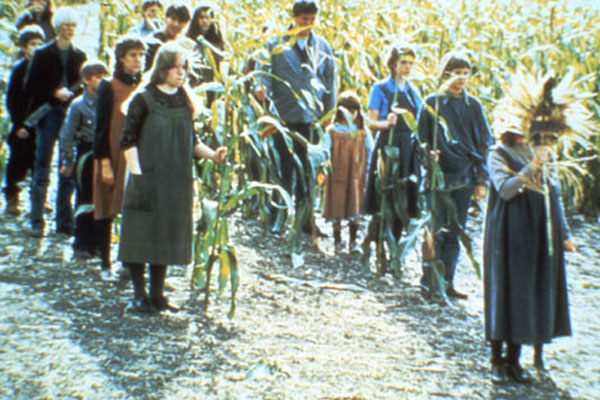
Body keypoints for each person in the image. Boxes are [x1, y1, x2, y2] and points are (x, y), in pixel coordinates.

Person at [118, 43, 227, 313]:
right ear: (163, 68)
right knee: (140, 233)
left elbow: (193, 143)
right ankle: (139, 294)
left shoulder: (184, 100)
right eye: (175, 67)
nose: (181, 73)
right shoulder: (143, 99)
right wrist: (138, 176)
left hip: (175, 181)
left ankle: (158, 295)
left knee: (165, 234)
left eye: (184, 68)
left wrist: (213, 155)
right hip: (147, 177)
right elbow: (128, 141)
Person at [484, 127, 574, 384]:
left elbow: (553, 195)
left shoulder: (544, 153)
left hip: (539, 230)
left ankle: (514, 359)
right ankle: (496, 361)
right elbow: (506, 189)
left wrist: (565, 233)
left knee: (527, 293)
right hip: (509, 229)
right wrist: (531, 166)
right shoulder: (498, 153)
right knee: (506, 290)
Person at [254, 0, 336, 236]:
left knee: (308, 169)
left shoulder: (322, 47)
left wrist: (329, 113)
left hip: (311, 118)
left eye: (311, 19)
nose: (307, 24)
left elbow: (330, 81)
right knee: (283, 167)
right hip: (283, 116)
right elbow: (264, 72)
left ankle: (305, 220)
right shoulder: (276, 43)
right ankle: (277, 217)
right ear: (294, 16)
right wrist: (261, 88)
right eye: (303, 19)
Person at [417, 51, 492, 299]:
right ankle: (429, 281)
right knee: (434, 231)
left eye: (465, 74)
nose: (461, 79)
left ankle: (448, 281)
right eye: (456, 73)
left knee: (455, 232)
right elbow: (419, 139)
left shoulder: (473, 106)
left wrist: (481, 181)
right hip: (438, 178)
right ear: (446, 74)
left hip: (463, 177)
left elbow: (484, 144)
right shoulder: (432, 102)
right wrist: (429, 155)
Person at [24, 6, 87, 237]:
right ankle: (37, 219)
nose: (68, 30)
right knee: (42, 166)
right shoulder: (42, 54)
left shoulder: (80, 56)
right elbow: (30, 86)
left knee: (67, 165)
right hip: (48, 113)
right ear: (58, 27)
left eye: (72, 26)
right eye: (65, 26)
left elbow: (84, 85)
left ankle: (64, 221)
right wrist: (54, 92)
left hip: (70, 115)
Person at [363, 45, 422, 273]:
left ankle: (395, 251)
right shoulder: (380, 88)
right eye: (403, 62)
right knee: (383, 199)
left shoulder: (413, 92)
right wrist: (386, 123)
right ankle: (379, 252)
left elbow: (418, 122)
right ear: (393, 63)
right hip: (387, 148)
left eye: (410, 63)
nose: (406, 67)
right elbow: (371, 122)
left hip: (407, 150)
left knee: (403, 199)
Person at [93, 35, 147, 280]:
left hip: (136, 153)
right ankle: (104, 262)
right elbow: (101, 127)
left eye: (141, 55)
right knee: (106, 206)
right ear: (121, 58)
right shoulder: (109, 86)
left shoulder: (145, 85)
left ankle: (128, 261)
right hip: (113, 153)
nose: (138, 60)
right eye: (132, 55)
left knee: (134, 207)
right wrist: (104, 161)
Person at [58, 61, 109, 264]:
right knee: (85, 199)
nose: (101, 80)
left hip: (104, 154)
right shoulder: (78, 105)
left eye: (104, 75)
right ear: (86, 80)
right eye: (97, 76)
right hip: (86, 154)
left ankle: (98, 244)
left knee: (101, 199)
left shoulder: (108, 103)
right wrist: (68, 161)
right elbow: (67, 135)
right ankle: (82, 243)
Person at [322, 91, 373, 253]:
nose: (351, 114)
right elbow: (325, 150)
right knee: (336, 204)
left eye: (354, 110)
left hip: (356, 175)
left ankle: (353, 241)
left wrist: (368, 171)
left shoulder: (362, 132)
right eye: (348, 110)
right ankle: (337, 241)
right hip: (337, 174)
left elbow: (370, 150)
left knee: (354, 205)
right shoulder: (332, 131)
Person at [3, 26, 45, 215]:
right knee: (17, 163)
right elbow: (12, 100)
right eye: (32, 44)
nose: (36, 48)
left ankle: (38, 200)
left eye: (39, 44)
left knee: (39, 163)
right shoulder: (19, 70)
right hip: (22, 123)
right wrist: (19, 124)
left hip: (41, 124)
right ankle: (12, 198)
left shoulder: (46, 67)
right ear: (23, 47)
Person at [186, 2, 225, 105]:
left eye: (208, 17)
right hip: (196, 85)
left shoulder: (217, 41)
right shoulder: (189, 41)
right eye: (201, 17)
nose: (205, 21)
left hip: (214, 85)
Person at [144, 2, 191, 71]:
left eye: (181, 21)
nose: (176, 24)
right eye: (173, 19)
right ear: (165, 19)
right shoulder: (151, 42)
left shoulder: (187, 45)